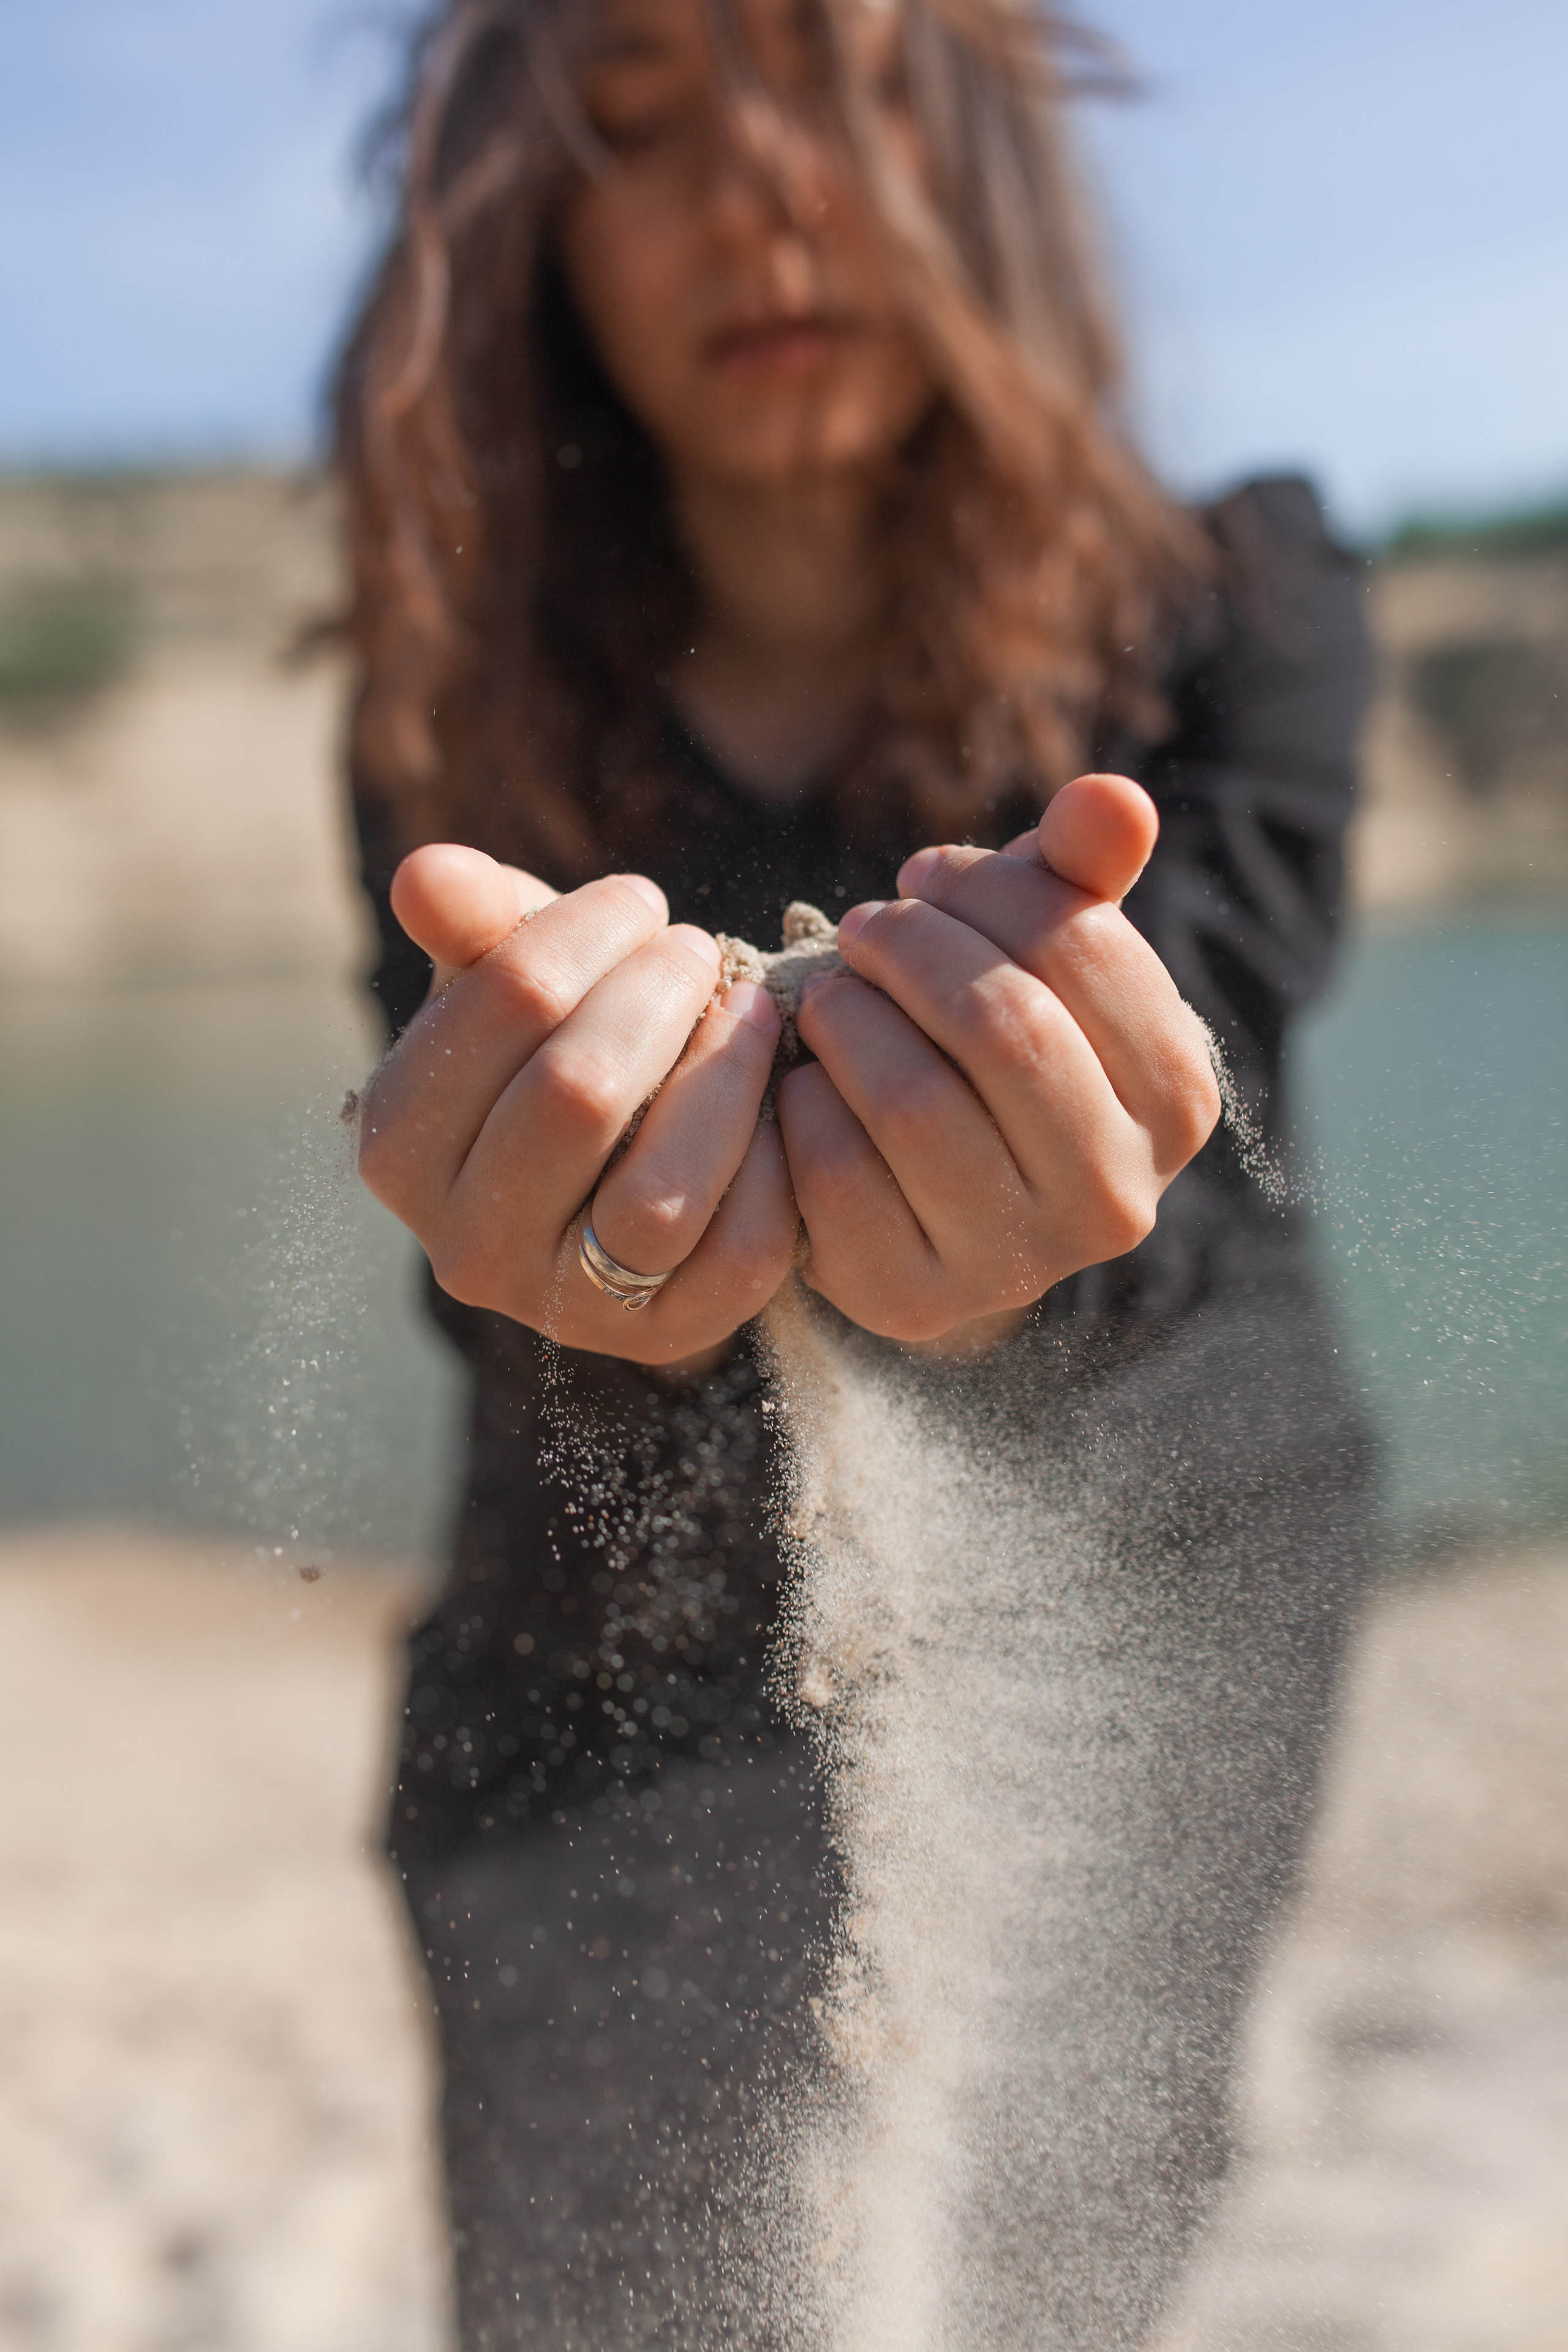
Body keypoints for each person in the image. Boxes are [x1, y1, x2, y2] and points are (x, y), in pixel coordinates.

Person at [333, 0, 1373, 2341]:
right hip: (600, 1655)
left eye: (861, 88)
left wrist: (1010, 1258)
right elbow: (466, 1260)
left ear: (982, 161)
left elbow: (1198, 1152)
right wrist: (550, 1242)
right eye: (642, 117)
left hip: (1153, 1556)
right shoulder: (440, 708)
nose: (768, 190)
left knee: (1043, 2258)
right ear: (535, 232)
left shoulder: (1243, 603)